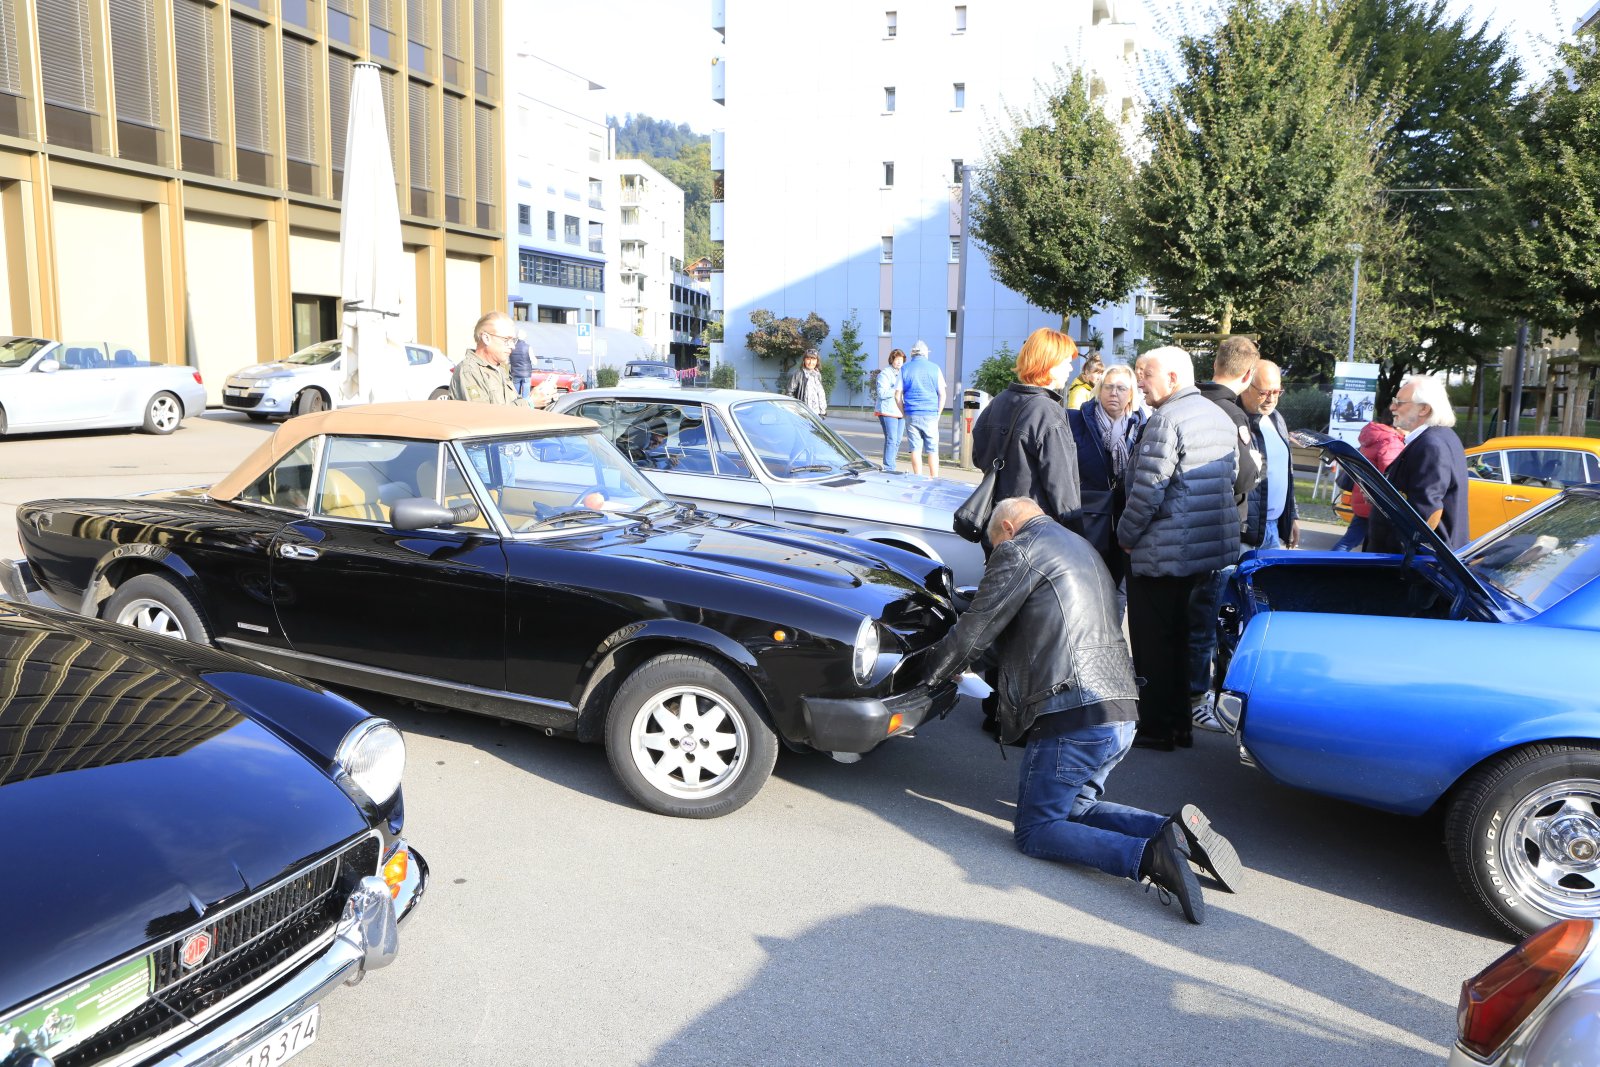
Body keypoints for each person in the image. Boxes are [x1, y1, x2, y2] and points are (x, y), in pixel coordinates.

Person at [920, 496, 1243, 925]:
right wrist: (971, 665)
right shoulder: (1080, 546)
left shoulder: (1019, 550)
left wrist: (926, 674)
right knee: (1076, 809)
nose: (994, 557)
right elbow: (1018, 637)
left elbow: (975, 631)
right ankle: (1170, 831)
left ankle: (1150, 855)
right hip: (1121, 710)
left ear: (1008, 529)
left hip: (1072, 712)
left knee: (1036, 830)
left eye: (993, 547)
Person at [1117, 346, 1241, 752]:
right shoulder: (1218, 415)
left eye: (1146, 374)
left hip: (1163, 552)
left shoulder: (1167, 420)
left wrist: (1125, 536)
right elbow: (1233, 479)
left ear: (1172, 378)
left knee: (1154, 644)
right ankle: (1178, 726)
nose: (1139, 382)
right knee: (1180, 639)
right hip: (1200, 553)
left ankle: (1156, 728)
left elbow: (1147, 492)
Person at [1188, 336, 1264, 730]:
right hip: (1218, 532)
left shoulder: (1190, 402)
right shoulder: (1233, 414)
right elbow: (1246, 476)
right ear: (1248, 373)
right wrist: (1258, 465)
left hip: (1185, 529)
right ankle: (1195, 699)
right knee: (1204, 621)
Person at [970, 327, 1083, 539]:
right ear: (1049, 363)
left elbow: (978, 456)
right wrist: (1076, 535)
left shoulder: (999, 401)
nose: (1070, 369)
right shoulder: (1048, 411)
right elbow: (1060, 485)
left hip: (997, 524)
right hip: (1036, 530)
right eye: (1066, 362)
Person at [1067, 362, 1144, 605]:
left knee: (1117, 592)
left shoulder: (1141, 428)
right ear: (1099, 390)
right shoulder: (1076, 421)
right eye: (1109, 387)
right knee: (1084, 588)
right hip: (1087, 518)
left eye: (1121, 388)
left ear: (1131, 394)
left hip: (1123, 522)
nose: (1114, 393)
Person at [1368, 374, 1470, 552]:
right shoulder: (1441, 437)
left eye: (1399, 402)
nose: (1392, 407)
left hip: (1416, 561)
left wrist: (1396, 552)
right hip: (1425, 558)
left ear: (1424, 409)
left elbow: (1424, 512)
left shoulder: (1431, 445)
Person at [1240, 359, 1300, 552]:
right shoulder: (1235, 419)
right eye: (1264, 392)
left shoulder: (1276, 418)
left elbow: (1285, 473)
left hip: (1272, 528)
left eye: (1277, 392)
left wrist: (1291, 517)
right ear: (1246, 386)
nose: (1271, 399)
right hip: (1244, 534)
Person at [451, 311, 556, 409]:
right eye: (506, 339)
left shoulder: (499, 369)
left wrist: (541, 399)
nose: (512, 346)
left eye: (513, 340)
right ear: (486, 338)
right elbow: (483, 416)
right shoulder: (470, 371)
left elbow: (512, 405)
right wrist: (529, 403)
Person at [1332, 420, 1405, 551]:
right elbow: (1390, 473)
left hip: (1362, 496)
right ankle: (1329, 561)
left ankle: (1329, 560)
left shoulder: (1372, 437)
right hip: (1377, 502)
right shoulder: (1391, 442)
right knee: (1378, 545)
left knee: (1351, 540)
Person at [900, 339, 947, 477]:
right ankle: (934, 477)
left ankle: (918, 477)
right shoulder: (935, 368)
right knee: (932, 449)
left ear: (912, 353)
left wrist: (903, 413)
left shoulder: (905, 369)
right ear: (926, 353)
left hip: (912, 413)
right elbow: (942, 394)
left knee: (915, 448)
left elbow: (897, 395)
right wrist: (938, 413)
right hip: (930, 413)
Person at [875, 348, 907, 470]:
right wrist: (896, 390)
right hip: (888, 411)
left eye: (901, 360)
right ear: (892, 360)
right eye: (897, 359)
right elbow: (882, 393)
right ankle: (889, 468)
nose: (899, 362)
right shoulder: (885, 373)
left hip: (900, 410)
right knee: (891, 439)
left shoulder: (903, 373)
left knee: (897, 440)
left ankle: (891, 464)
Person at [786, 348, 828, 418]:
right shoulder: (798, 374)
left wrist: (822, 412)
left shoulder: (818, 374)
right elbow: (789, 392)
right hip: (803, 414)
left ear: (817, 361)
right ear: (804, 360)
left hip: (817, 414)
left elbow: (820, 394)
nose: (811, 362)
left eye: (813, 359)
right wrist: (797, 409)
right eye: (808, 359)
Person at [509, 329, 534, 400]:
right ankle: (525, 405)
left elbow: (507, 361)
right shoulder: (528, 347)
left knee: (515, 395)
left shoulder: (512, 347)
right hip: (526, 374)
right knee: (526, 396)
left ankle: (516, 404)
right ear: (524, 336)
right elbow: (534, 361)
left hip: (515, 374)